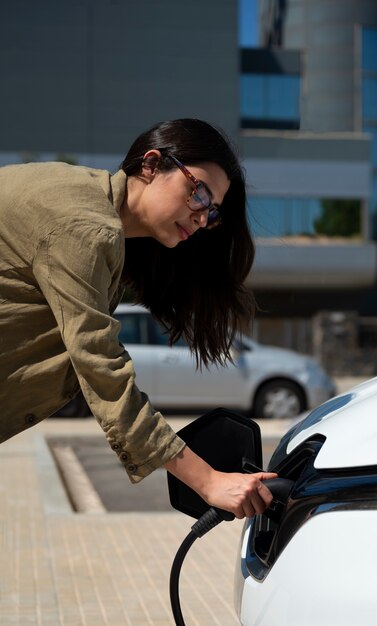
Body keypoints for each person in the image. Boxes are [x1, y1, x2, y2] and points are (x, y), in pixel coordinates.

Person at [0, 118, 276, 519]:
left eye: (212, 211)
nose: (202, 216)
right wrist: (207, 480)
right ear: (150, 164)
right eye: (198, 192)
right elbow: (102, 369)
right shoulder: (84, 226)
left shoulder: (90, 208)